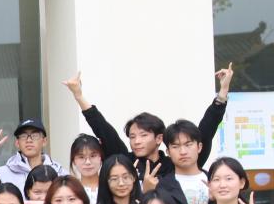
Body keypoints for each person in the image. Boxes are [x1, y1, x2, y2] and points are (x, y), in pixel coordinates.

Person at [62, 66, 231, 194]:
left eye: (143, 135)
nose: (137, 141)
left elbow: (206, 131)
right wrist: (79, 96)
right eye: (132, 136)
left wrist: (222, 93)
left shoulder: (175, 163)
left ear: (159, 139)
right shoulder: (125, 162)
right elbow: (103, 130)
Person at [0, 122, 67, 192]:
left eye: (34, 136)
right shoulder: (1, 173)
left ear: (44, 141)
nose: (29, 140)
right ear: (17, 143)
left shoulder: (59, 172)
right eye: (23, 136)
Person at [70, 134, 103, 204]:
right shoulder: (70, 189)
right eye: (81, 157)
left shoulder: (110, 187)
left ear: (101, 158)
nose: (88, 162)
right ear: (74, 161)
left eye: (93, 156)